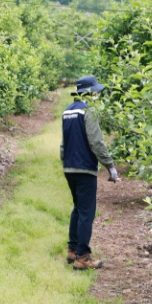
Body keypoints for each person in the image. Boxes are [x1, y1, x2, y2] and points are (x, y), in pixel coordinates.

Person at [60, 75, 117, 270]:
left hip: (69, 167)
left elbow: (63, 144)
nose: (98, 95)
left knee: (78, 208)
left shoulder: (67, 111)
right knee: (86, 212)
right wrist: (110, 166)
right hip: (84, 168)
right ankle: (82, 258)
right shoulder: (89, 112)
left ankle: (72, 249)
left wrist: (66, 161)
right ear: (91, 93)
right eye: (96, 92)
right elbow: (96, 142)